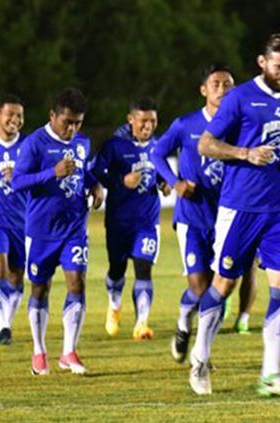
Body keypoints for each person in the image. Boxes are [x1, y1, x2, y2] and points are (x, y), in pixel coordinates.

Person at [189, 33, 280, 397]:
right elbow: (205, 144)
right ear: (262, 62)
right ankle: (199, 358)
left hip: (279, 210)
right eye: (278, 66)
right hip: (239, 207)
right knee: (223, 285)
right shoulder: (239, 97)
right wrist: (245, 154)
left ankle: (270, 373)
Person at [151, 64, 238, 362]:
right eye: (216, 84)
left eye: (228, 84)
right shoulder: (185, 124)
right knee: (200, 287)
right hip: (192, 216)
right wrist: (175, 183)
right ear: (204, 90)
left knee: (222, 288)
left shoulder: (239, 127)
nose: (223, 89)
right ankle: (183, 320)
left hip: (227, 217)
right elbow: (157, 153)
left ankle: (202, 352)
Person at [13, 88, 103, 375]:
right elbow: (18, 182)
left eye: (77, 122)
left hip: (74, 226)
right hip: (40, 230)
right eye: (67, 122)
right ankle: (39, 352)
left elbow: (83, 170)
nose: (72, 129)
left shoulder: (82, 141)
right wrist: (52, 172)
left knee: (77, 283)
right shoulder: (34, 144)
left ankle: (69, 352)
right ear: (53, 116)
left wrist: (95, 184)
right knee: (40, 287)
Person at [94, 97, 165, 341]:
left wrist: (165, 183)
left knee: (144, 269)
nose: (148, 126)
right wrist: (120, 182)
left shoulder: (159, 146)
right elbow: (95, 172)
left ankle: (141, 323)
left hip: (147, 221)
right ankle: (114, 304)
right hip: (118, 221)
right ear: (130, 119)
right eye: (143, 121)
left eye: (153, 121)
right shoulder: (114, 146)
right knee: (117, 269)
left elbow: (161, 173)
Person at [0, 95, 27, 345]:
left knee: (17, 278)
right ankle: (3, 325)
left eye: (19, 116)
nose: (15, 120)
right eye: (10, 114)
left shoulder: (28, 147)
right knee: (0, 269)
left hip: (23, 221)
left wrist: (20, 176)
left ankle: (6, 322)